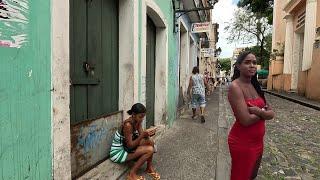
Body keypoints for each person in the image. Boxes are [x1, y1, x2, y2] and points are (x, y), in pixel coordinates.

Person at [227, 51, 275, 180]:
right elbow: (246, 120)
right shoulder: (235, 87)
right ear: (238, 66)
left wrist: (258, 112)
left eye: (254, 62)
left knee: (252, 176)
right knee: (241, 177)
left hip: (258, 142)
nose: (252, 65)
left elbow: (271, 113)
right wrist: (264, 112)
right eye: (247, 62)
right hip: (242, 142)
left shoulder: (255, 85)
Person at [110, 103, 160, 180]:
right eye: (140, 116)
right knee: (150, 150)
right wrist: (143, 135)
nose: (142, 119)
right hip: (118, 152)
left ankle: (149, 167)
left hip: (126, 147)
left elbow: (142, 135)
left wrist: (148, 134)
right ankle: (131, 174)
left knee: (151, 142)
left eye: (143, 116)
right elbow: (130, 145)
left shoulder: (137, 121)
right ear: (133, 114)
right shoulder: (128, 125)